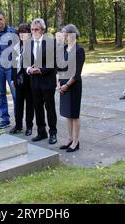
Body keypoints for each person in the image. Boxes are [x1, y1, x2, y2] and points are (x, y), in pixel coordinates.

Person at [27, 18, 58, 144]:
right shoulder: (29, 43)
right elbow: (25, 62)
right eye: (32, 29)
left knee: (50, 108)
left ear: (43, 30)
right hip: (34, 82)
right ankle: (41, 132)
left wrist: (40, 70)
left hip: (47, 81)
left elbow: (53, 64)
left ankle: (53, 133)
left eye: (36, 29)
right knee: (37, 107)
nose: (34, 32)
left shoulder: (50, 43)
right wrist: (29, 69)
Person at [57, 24, 85, 153]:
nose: (64, 37)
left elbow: (76, 72)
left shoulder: (79, 50)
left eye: (66, 34)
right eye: (64, 35)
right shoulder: (63, 49)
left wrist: (66, 85)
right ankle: (69, 139)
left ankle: (75, 141)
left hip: (73, 85)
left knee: (74, 114)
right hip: (62, 84)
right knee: (67, 114)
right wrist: (58, 83)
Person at [10, 23, 34, 136]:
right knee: (18, 104)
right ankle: (18, 125)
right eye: (20, 32)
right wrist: (12, 79)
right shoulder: (16, 46)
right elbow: (13, 64)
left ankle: (29, 127)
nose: (22, 34)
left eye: (24, 32)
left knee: (29, 104)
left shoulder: (33, 45)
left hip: (30, 79)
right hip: (18, 79)